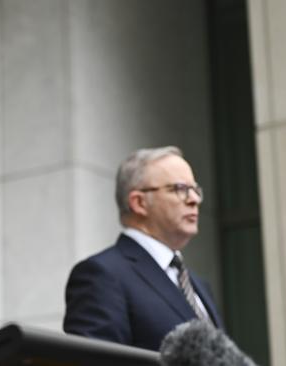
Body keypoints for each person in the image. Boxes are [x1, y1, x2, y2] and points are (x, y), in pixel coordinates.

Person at [63, 146, 223, 351]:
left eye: (195, 190)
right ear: (139, 202)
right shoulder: (102, 275)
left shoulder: (198, 284)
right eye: (179, 189)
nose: (194, 200)